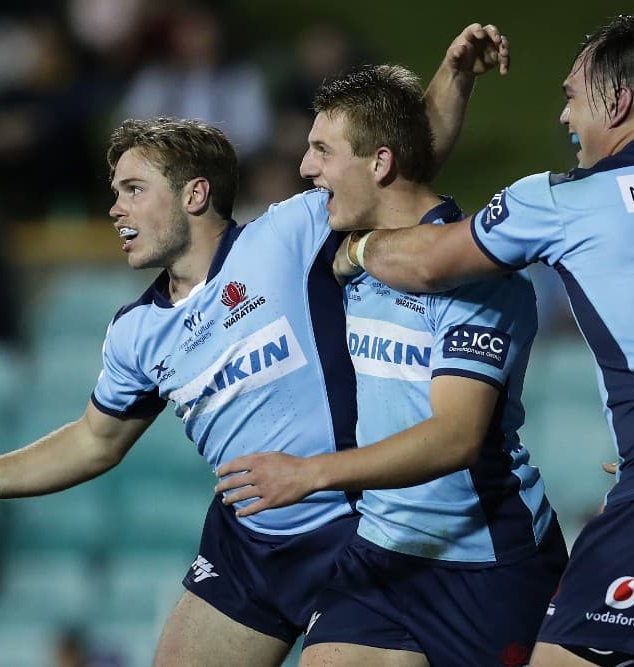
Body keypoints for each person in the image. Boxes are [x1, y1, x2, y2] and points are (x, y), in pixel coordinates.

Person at [0, 23, 509, 667]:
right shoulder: (134, 332)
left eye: (133, 190)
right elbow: (94, 441)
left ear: (195, 194)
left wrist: (453, 75)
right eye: (115, 191)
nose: (115, 208)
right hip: (248, 545)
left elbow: (393, 163)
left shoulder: (286, 235)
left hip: (350, 532)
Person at [333, 14, 634, 667]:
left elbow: (430, 260)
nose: (565, 118)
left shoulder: (572, 198)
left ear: (616, 101)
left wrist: (357, 246)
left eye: (571, 97)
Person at [215, 64, 567, 667]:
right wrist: (453, 76)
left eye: (323, 151)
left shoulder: (477, 277)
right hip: (379, 552)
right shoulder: (345, 249)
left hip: (486, 562)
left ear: (379, 164)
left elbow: (455, 438)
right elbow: (406, 148)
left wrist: (310, 475)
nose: (306, 168)